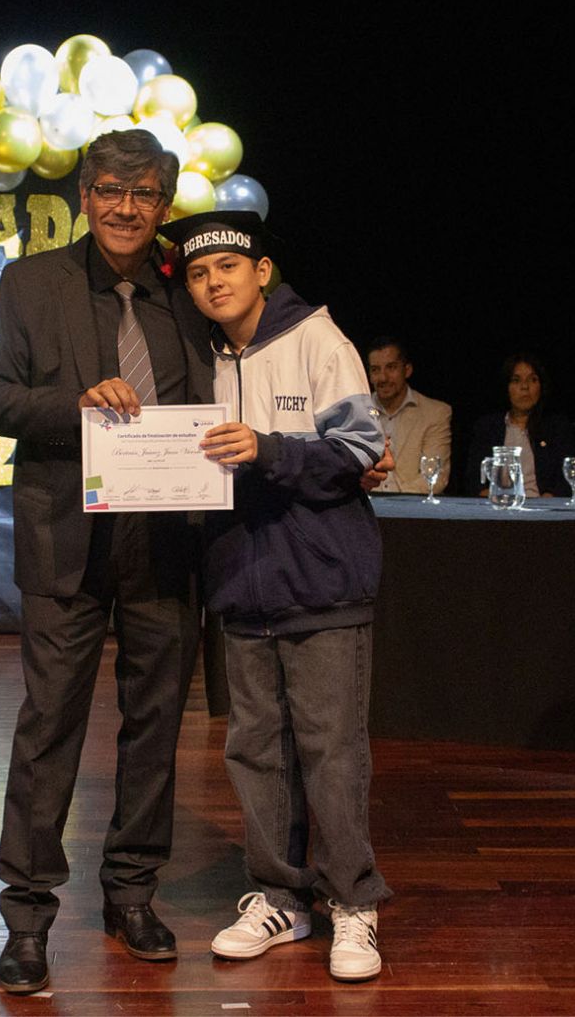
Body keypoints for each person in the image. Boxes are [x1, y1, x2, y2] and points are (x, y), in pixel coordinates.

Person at [0, 130, 212, 994]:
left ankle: (132, 893)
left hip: (168, 540)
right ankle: (28, 916)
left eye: (143, 194)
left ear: (164, 205)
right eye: (110, 189)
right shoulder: (31, 283)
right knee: (49, 729)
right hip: (65, 543)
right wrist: (73, 406)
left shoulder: (189, 291)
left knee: (156, 726)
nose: (125, 207)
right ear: (84, 196)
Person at [161, 209, 391, 983]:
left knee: (332, 751)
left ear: (262, 271)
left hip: (322, 580)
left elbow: (361, 449)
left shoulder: (318, 339)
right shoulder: (201, 355)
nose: (212, 282)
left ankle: (353, 901)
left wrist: (268, 449)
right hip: (240, 584)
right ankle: (280, 897)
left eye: (227, 266)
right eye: (198, 273)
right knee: (255, 751)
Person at [465, 352, 575, 498]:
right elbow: (474, 479)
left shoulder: (557, 427)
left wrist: (547, 503)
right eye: (516, 380)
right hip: (498, 505)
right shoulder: (487, 427)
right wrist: (493, 498)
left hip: (543, 507)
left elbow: (566, 479)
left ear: (541, 386)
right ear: (506, 387)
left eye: (532, 380)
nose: (525, 387)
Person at [365, 337, 451, 493]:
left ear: (407, 370)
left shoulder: (435, 413)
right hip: (365, 504)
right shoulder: (358, 411)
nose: (383, 378)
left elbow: (435, 476)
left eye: (391, 367)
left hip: (412, 505)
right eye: (375, 370)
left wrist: (394, 503)